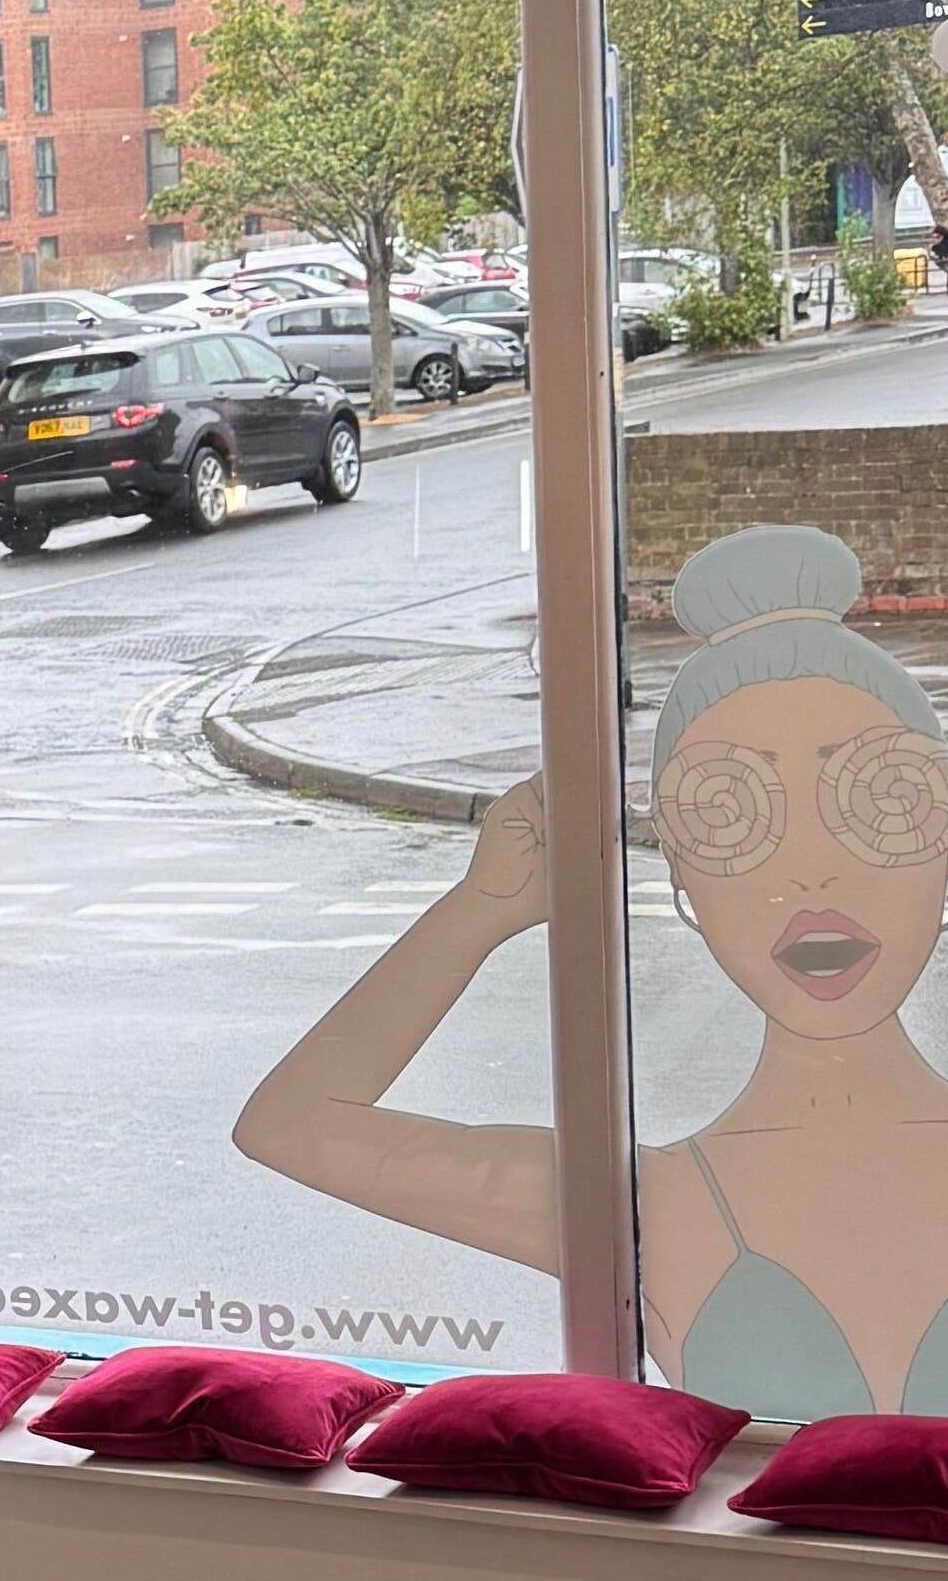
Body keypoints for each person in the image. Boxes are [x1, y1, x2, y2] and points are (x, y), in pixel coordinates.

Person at [236, 525, 948, 1414]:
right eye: (733, 816)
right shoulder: (651, 1206)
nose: (812, 874)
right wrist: (481, 910)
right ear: (681, 878)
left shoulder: (643, 1209)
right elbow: (288, 1125)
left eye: (881, 803)